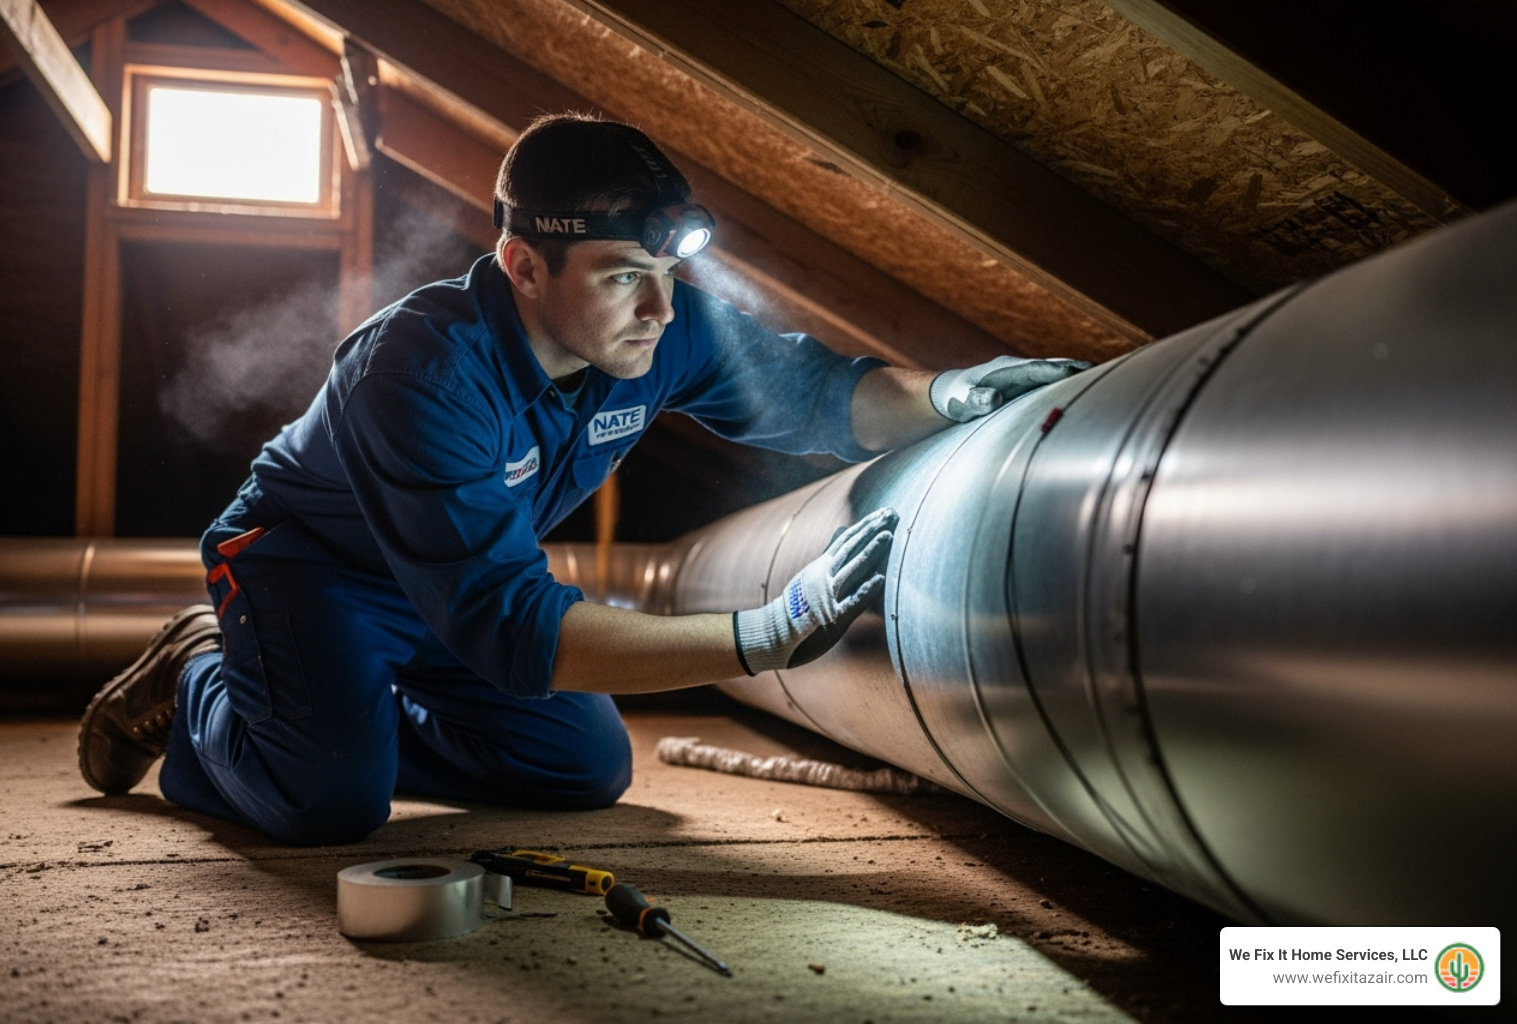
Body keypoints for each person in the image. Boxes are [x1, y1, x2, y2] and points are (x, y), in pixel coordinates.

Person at [77, 114, 1089, 845]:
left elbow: (819, 393)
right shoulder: (421, 369)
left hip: (459, 587)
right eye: (619, 277)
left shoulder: (662, 320)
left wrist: (949, 393)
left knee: (582, 766)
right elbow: (509, 626)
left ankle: (341, 718)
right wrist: (762, 635)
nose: (657, 309)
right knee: (329, 803)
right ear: (523, 266)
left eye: (667, 275)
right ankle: (208, 680)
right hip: (314, 573)